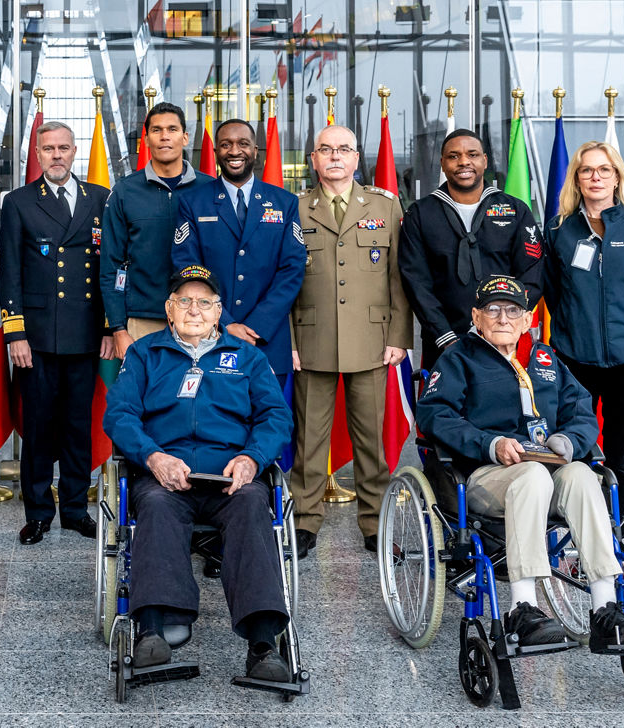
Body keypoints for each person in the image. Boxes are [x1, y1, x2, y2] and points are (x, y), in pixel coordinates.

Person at [416, 274, 624, 651]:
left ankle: (605, 608)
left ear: (527, 319)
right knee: (532, 474)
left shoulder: (546, 358)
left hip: (549, 473)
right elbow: (435, 414)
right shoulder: (459, 358)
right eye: (492, 310)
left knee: (582, 474)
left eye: (512, 310)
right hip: (486, 476)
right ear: (476, 317)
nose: (503, 318)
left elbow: (581, 411)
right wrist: (491, 443)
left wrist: (569, 440)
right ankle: (523, 607)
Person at [103, 265, 294, 680]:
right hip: (164, 476)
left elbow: (276, 417)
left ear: (218, 311)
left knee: (252, 507)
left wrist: (252, 458)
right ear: (169, 309)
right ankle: (153, 630)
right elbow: (119, 414)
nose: (195, 310)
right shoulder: (145, 354)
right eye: (185, 301)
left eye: (204, 302)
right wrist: (154, 457)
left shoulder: (247, 357)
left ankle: (263, 644)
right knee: (155, 506)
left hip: (231, 478)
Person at [290, 125, 413, 558]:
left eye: (344, 149)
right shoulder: (295, 207)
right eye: (326, 149)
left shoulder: (384, 204)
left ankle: (375, 523)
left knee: (372, 443)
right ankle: (304, 522)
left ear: (357, 158)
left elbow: (398, 277)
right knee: (309, 442)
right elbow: (285, 279)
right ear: (314, 159)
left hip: (371, 340)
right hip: (312, 338)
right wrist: (288, 341)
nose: (335, 156)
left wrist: (399, 336)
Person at [0, 120, 112, 545]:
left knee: (78, 426)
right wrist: (15, 334)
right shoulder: (19, 202)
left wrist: (108, 327)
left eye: (64, 147)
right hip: (38, 337)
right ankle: (39, 513)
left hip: (85, 333)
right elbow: (10, 270)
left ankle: (76, 510)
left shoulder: (100, 198)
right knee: (40, 428)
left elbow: (110, 267)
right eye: (49, 149)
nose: (57, 155)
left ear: (74, 151)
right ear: (38, 154)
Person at [544, 141, 624, 525]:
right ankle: (580, 525)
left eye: (604, 170)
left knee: (619, 452)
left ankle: (617, 530)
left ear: (617, 178)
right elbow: (553, 290)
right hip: (574, 356)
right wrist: (574, 326)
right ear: (577, 179)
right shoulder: (559, 230)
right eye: (587, 170)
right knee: (577, 447)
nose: (595, 177)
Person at [172, 119, 307, 387]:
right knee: (214, 412)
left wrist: (257, 325)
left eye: (243, 144)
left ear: (255, 151)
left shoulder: (284, 202)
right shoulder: (193, 202)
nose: (235, 151)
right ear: (216, 152)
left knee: (266, 411)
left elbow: (292, 269)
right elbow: (188, 268)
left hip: (266, 339)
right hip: (209, 335)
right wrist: (224, 323)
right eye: (226, 145)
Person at [399, 129, 544, 368]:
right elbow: (416, 282)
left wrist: (505, 323)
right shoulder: (420, 214)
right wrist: (445, 336)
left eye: (472, 154)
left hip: (504, 340)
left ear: (484, 161)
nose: (464, 161)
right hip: (443, 343)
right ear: (442, 163)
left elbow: (533, 272)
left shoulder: (515, 210)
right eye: (453, 156)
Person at [100, 102, 213, 359]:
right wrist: (118, 328)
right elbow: (111, 266)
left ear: (185, 137)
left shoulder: (210, 190)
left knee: (199, 385)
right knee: (144, 386)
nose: (164, 136)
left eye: (172, 129)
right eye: (156, 130)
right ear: (147, 139)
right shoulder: (125, 192)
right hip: (143, 321)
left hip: (200, 317)